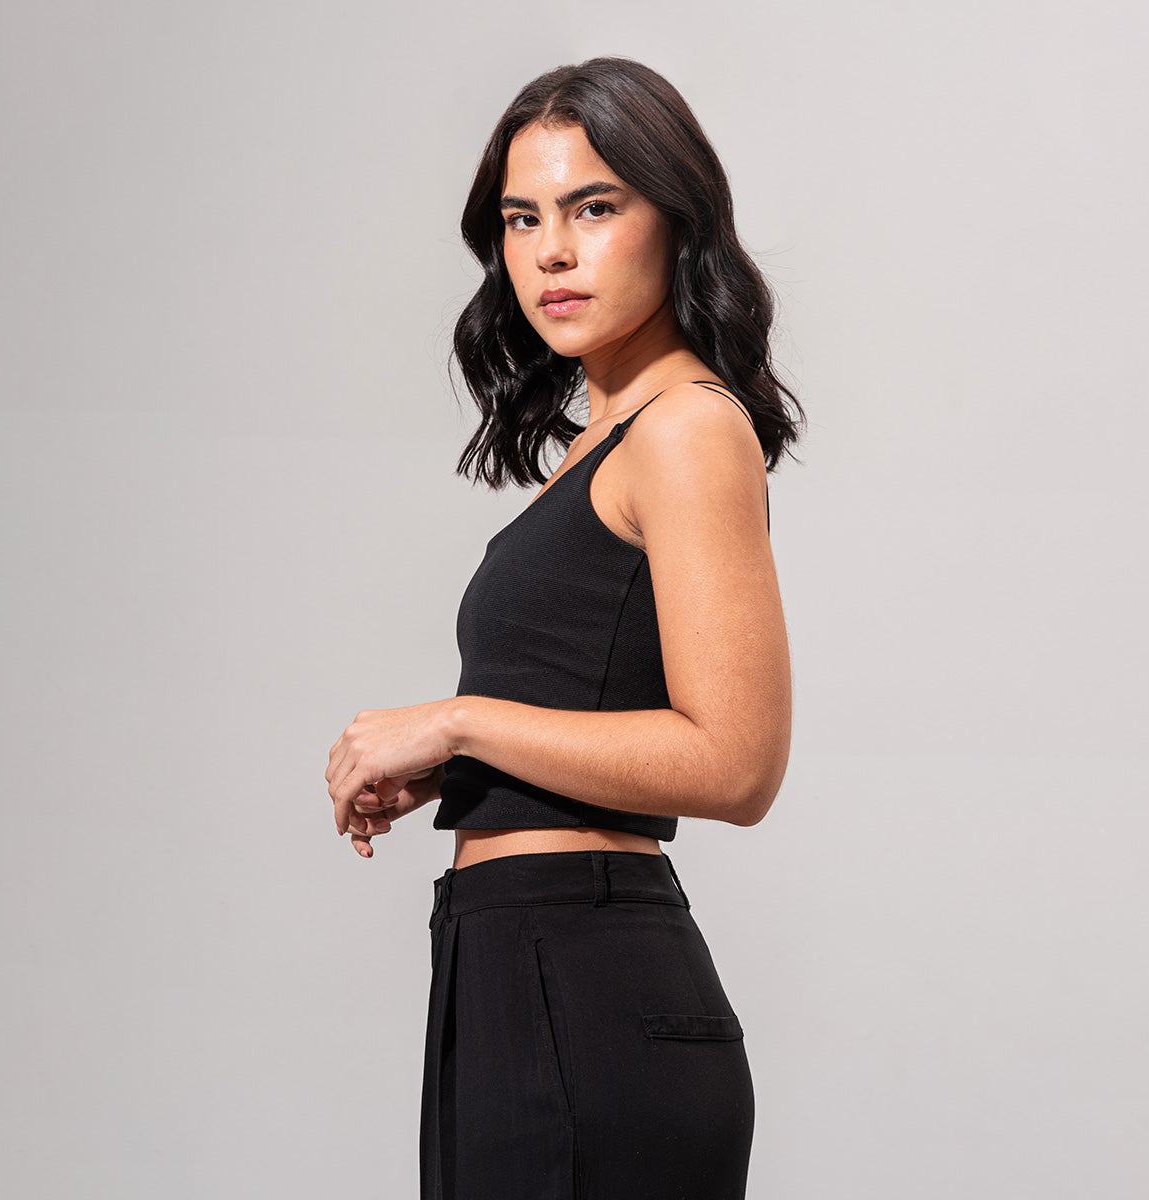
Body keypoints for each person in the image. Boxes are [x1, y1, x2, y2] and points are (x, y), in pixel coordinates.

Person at [325, 56, 804, 1200]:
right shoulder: (606, 443)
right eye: (521, 218)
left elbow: (737, 763)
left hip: (584, 975)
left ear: (677, 221)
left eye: (594, 208)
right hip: (507, 960)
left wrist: (459, 722)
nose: (550, 251)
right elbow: (604, 704)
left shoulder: (686, 428)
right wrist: (462, 770)